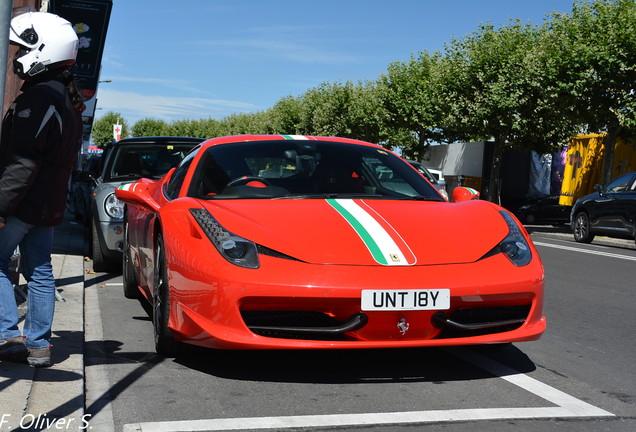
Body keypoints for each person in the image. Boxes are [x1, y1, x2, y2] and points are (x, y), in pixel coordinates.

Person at [0, 11, 83, 367]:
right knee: (40, 270)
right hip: (49, 203)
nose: (16, 58)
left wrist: (0, 208)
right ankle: (38, 344)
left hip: (24, 202)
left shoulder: (40, 98)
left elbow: (22, 161)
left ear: (42, 49)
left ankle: (8, 337)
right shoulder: (66, 97)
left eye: (21, 50)